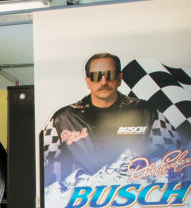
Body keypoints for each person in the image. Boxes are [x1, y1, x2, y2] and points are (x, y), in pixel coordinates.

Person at [42, 52, 181, 182]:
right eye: (96, 76)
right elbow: (45, 167)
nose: (103, 82)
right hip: (81, 201)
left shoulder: (145, 111)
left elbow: (175, 157)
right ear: (88, 81)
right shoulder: (63, 118)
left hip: (135, 198)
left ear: (119, 79)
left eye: (110, 74)